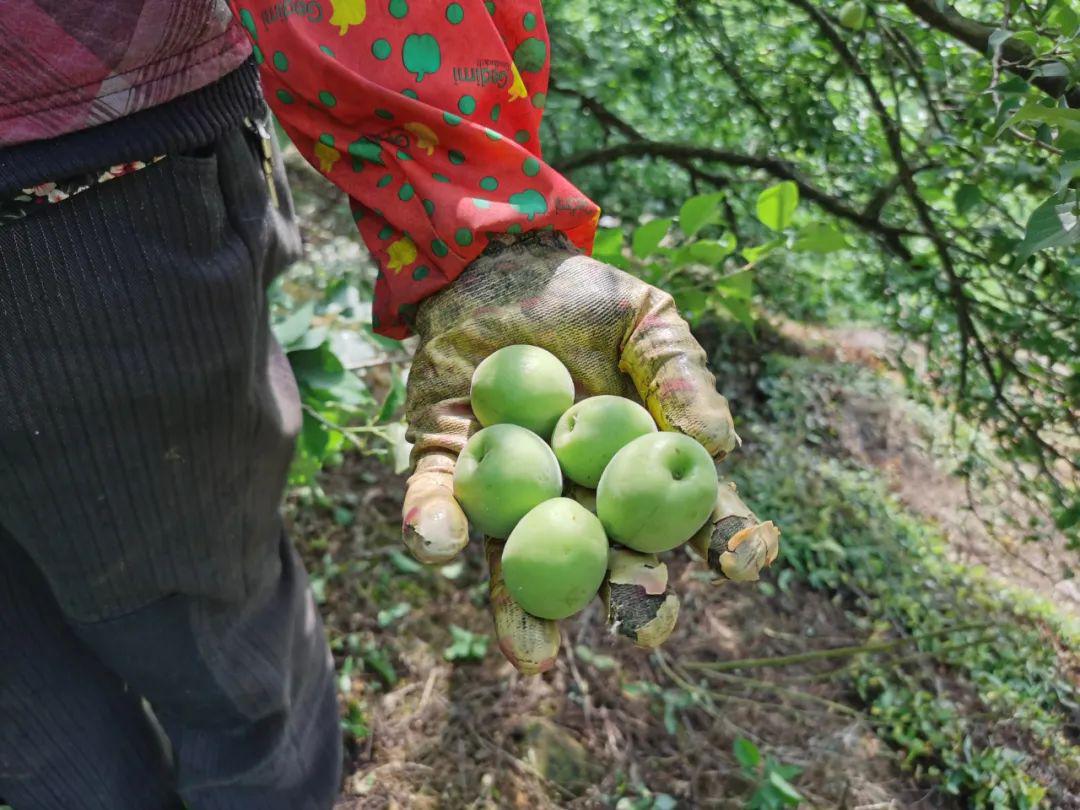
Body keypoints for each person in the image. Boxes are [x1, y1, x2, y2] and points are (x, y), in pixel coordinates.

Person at [0, 1, 778, 807]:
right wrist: (478, 215)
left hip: (68, 193)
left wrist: (487, 248)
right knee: (214, 660)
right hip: (83, 214)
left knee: (36, 695)